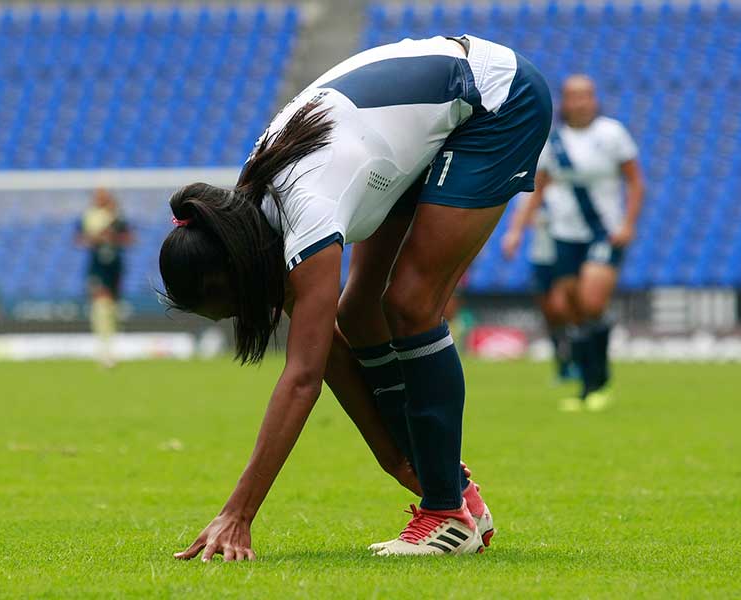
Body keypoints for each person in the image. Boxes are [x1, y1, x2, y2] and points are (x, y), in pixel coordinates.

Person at [159, 34, 552, 560]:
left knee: (411, 304)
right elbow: (333, 354)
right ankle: (453, 494)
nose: (242, 317)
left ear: (228, 275)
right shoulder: (246, 221)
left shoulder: (306, 210)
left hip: (495, 100)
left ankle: (446, 516)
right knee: (361, 313)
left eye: (228, 308)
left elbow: (302, 378)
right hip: (417, 127)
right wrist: (393, 458)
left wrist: (239, 512)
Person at [502, 75, 644, 411]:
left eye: (586, 96)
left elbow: (636, 183)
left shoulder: (612, 134)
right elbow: (538, 190)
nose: (580, 102)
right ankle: (588, 386)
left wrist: (627, 223)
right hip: (565, 236)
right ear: (564, 101)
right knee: (571, 310)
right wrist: (515, 230)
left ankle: (600, 380)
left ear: (594, 99)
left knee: (591, 302)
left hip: (604, 232)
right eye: (573, 96)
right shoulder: (555, 142)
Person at [503, 200, 575, 381]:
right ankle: (562, 364)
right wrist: (514, 233)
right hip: (541, 258)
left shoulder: (567, 189)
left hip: (565, 257)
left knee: (563, 308)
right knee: (549, 314)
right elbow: (521, 215)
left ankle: (578, 360)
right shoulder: (533, 193)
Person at [76, 189, 134, 367]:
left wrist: (113, 237)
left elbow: (130, 238)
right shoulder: (89, 216)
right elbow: (79, 239)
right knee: (101, 304)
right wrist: (95, 238)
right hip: (97, 267)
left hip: (115, 267)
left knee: (112, 309)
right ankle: (104, 351)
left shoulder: (118, 217)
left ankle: (110, 346)